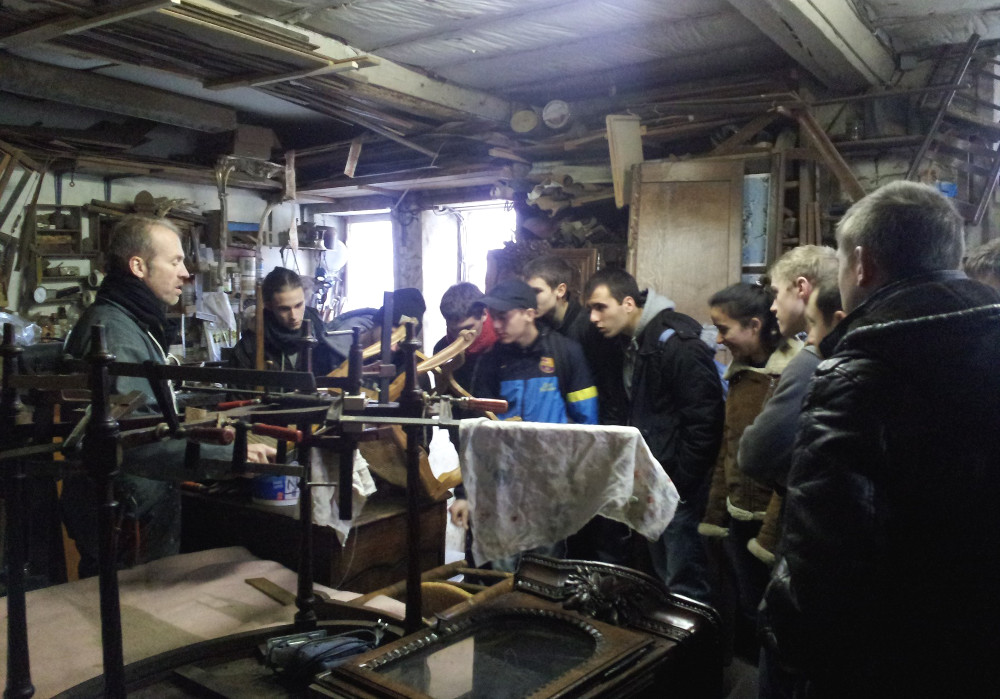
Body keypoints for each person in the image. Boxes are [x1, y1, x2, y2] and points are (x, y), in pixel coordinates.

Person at [760, 181, 1000, 698]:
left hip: (890, 658)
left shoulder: (858, 376)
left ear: (862, 265)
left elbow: (822, 554)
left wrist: (790, 649)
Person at [62, 216, 273, 576]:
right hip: (127, 510)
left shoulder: (128, 323)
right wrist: (228, 454)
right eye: (174, 261)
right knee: (126, 615)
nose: (186, 273)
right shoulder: (114, 334)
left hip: (133, 505)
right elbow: (132, 437)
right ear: (138, 266)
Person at [584, 268, 724, 603]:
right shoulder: (638, 341)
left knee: (685, 585)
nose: (593, 317)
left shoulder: (674, 342)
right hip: (657, 480)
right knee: (666, 578)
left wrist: (681, 483)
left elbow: (705, 420)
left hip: (677, 485)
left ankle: (694, 654)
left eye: (600, 307)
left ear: (628, 303)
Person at [449, 278, 598, 567]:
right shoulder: (490, 362)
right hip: (501, 489)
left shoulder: (565, 353)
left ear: (529, 313)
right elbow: (474, 435)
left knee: (545, 573)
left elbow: (587, 424)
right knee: (501, 577)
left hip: (552, 487)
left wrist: (581, 483)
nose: (497, 326)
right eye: (494, 318)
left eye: (504, 317)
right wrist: (465, 494)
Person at [698, 283, 801, 662]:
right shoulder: (739, 377)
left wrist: (769, 532)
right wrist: (716, 514)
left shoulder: (791, 375)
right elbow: (729, 448)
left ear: (755, 325)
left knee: (776, 616)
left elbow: (792, 463)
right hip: (739, 517)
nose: (720, 340)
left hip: (774, 524)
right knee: (747, 609)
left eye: (724, 329)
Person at [737, 246, 838, 493]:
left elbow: (756, 454)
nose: (773, 306)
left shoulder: (811, 360)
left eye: (776, 293)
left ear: (801, 288)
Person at [230, 266, 340, 374]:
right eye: (284, 309)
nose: (293, 315)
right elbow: (238, 391)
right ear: (269, 306)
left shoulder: (321, 333)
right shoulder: (249, 347)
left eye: (298, 305)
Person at [432, 282, 496, 393]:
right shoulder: (441, 350)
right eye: (453, 329)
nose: (459, 336)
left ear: (484, 314)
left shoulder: (503, 347)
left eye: (468, 328)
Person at [522, 255, 591, 343]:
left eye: (536, 291)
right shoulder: (533, 321)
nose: (529, 298)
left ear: (560, 290)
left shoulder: (587, 327)